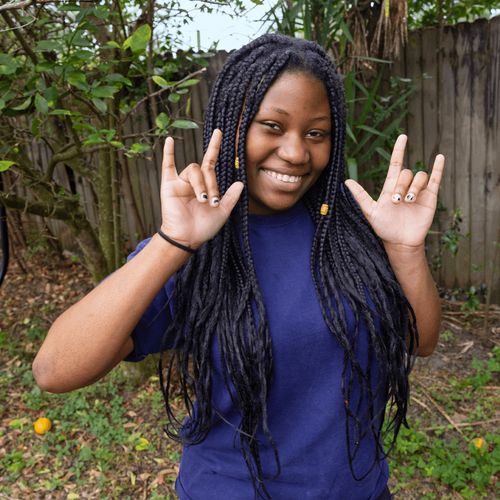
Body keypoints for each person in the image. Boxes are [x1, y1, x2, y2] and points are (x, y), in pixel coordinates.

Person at [32, 34, 443, 499]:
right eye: (272, 126)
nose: (295, 152)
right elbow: (54, 371)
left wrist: (406, 251)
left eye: (316, 133)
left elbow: (418, 340)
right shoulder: (196, 250)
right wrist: (171, 244)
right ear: (233, 123)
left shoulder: (352, 235)